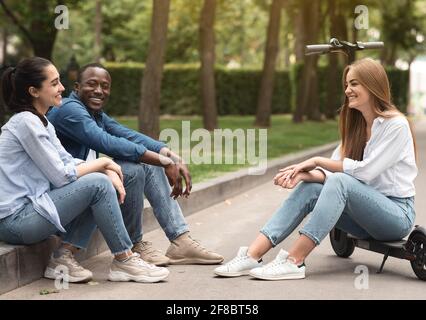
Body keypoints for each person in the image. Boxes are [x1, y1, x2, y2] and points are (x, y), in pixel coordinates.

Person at [214, 58, 417, 280]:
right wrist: (303, 174)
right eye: (347, 85)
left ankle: (294, 261)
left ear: (372, 85)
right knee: (311, 187)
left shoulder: (395, 125)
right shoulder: (357, 128)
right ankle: (252, 255)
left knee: (341, 181)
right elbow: (331, 175)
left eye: (355, 84)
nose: (348, 90)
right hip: (362, 218)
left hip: (395, 216)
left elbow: (364, 173)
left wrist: (318, 160)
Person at [0, 57, 170, 283]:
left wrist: (107, 167)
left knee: (100, 180)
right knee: (98, 184)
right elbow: (61, 175)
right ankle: (124, 259)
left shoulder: (41, 122)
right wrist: (103, 165)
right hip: (15, 222)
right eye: (54, 83)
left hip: (33, 211)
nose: (62, 88)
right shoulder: (25, 123)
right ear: (34, 91)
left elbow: (68, 160)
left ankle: (63, 258)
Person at [47, 63, 223, 266]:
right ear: (77, 87)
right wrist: (163, 161)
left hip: (81, 192)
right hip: (60, 203)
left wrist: (170, 156)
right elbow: (107, 142)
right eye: (92, 84)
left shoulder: (95, 114)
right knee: (133, 168)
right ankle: (135, 244)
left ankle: (180, 240)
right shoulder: (70, 109)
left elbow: (127, 134)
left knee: (146, 162)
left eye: (105, 86)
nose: (99, 90)